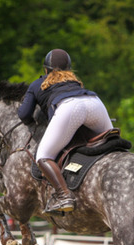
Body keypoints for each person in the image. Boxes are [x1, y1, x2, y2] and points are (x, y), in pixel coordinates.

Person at [18, 49, 113, 213]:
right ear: (69, 68)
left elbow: (24, 114)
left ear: (45, 69)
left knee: (43, 156)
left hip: (70, 107)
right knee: (112, 142)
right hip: (95, 102)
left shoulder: (37, 84)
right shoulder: (76, 82)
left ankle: (63, 196)